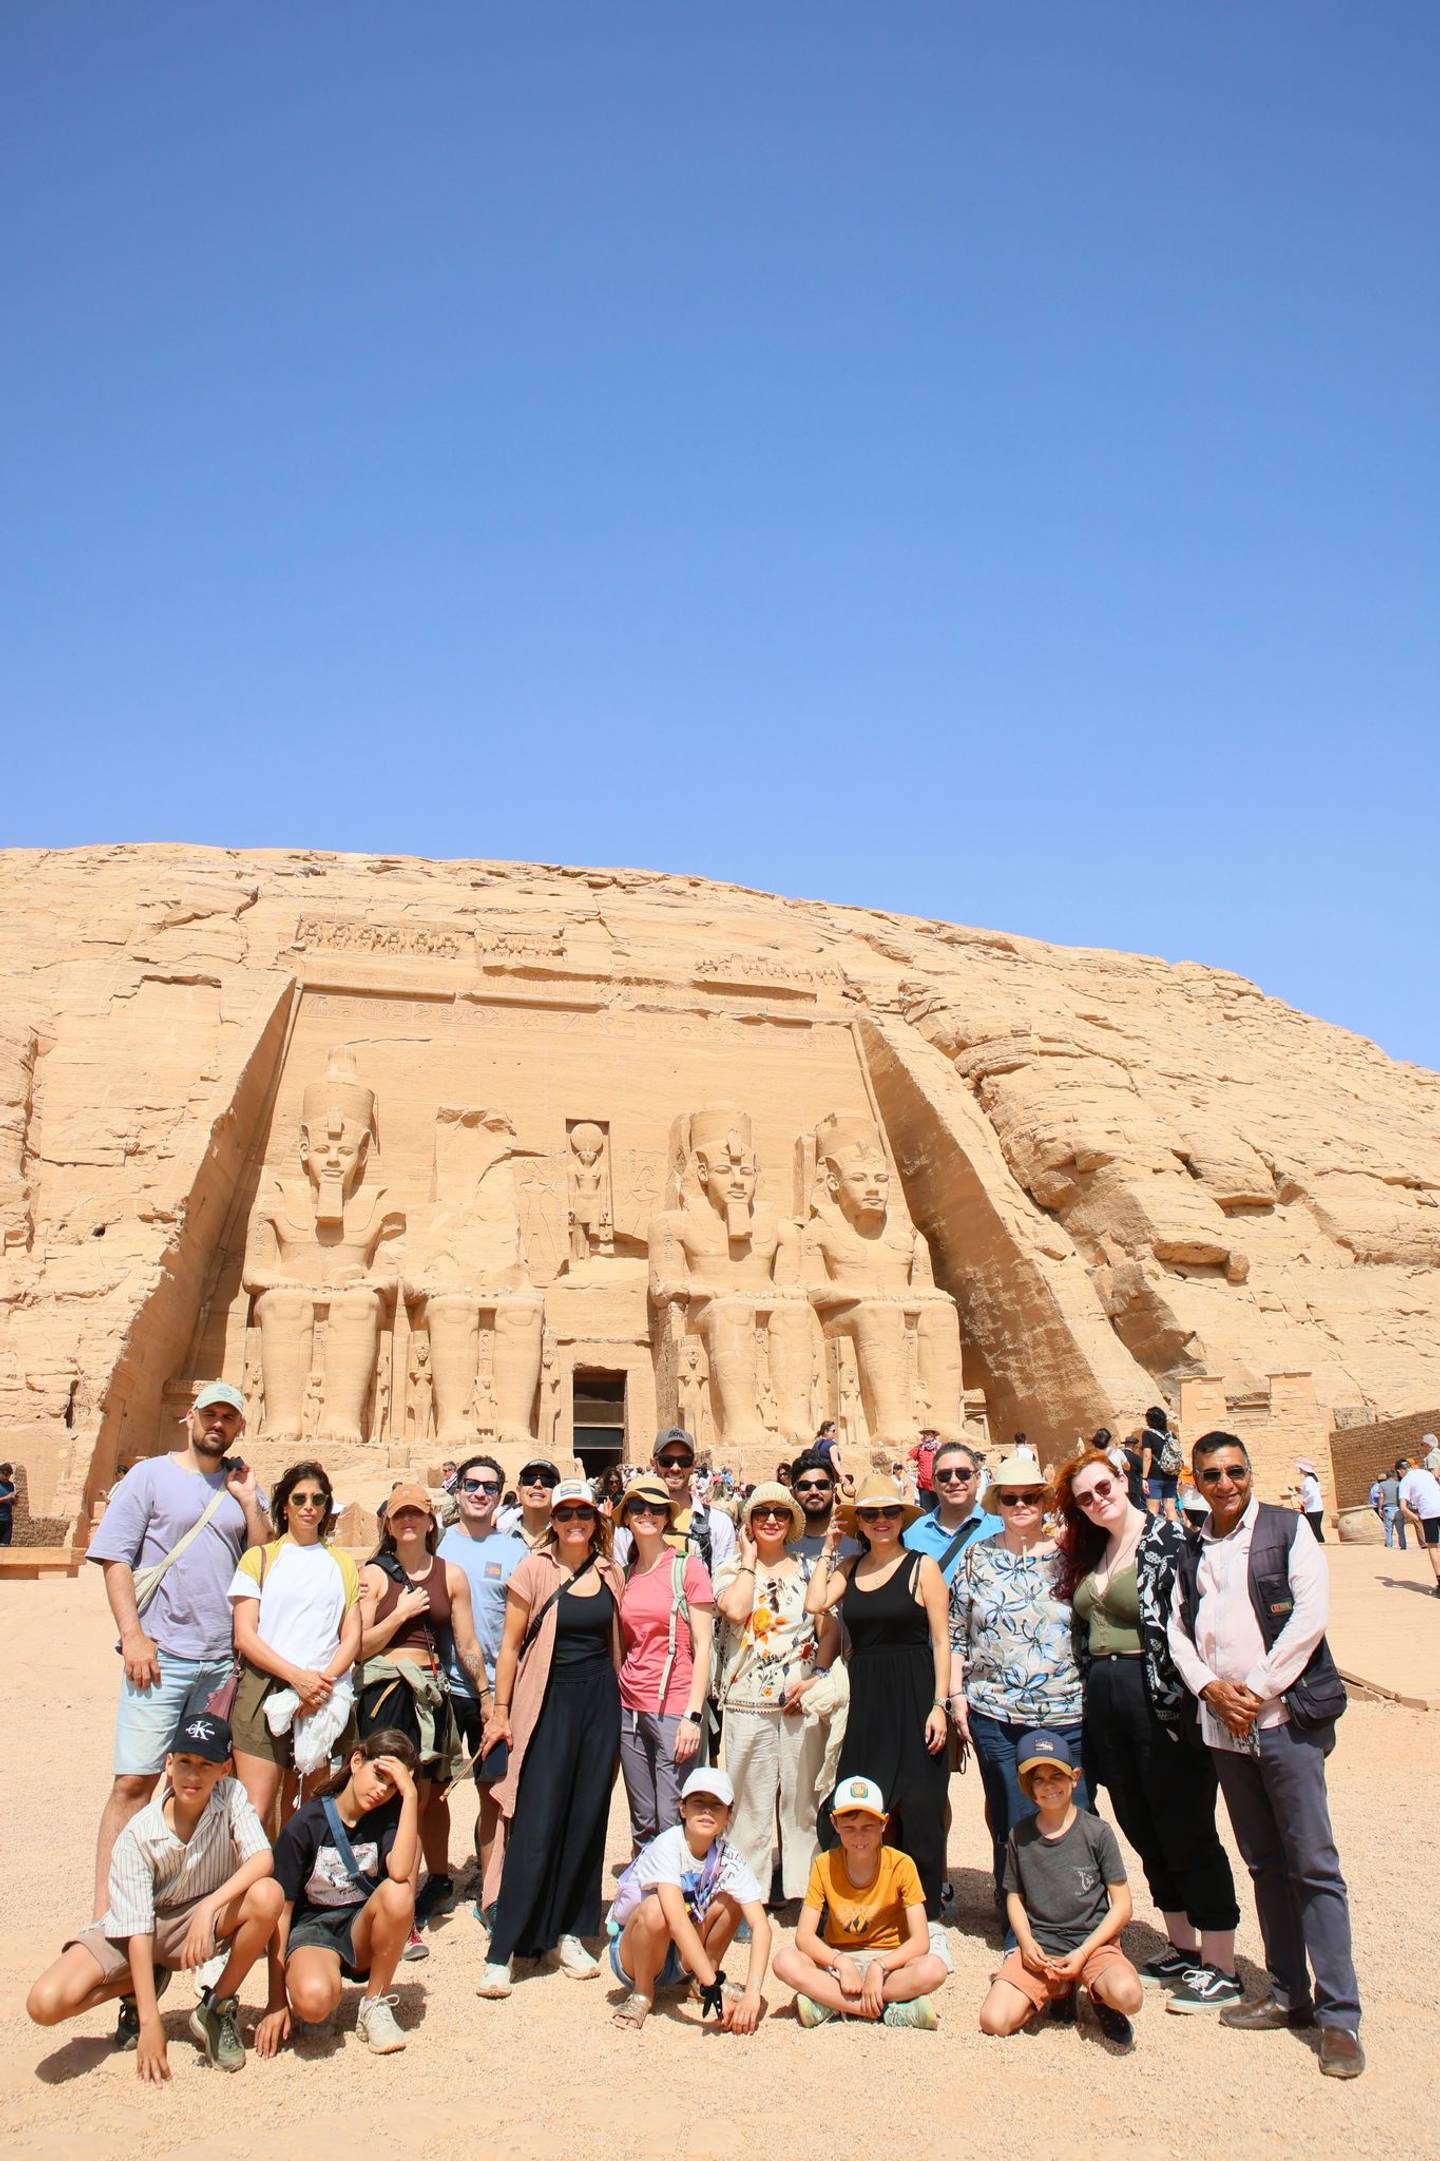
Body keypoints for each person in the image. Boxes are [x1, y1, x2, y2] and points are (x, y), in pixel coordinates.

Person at [1168, 1432, 1362, 2078]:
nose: (1225, 1483)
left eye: (1235, 1471)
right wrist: (1209, 1688)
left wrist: (1255, 1689)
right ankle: (1287, 1991)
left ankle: (1340, 2016)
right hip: (1225, 1727)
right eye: (1212, 1475)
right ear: (1195, 1481)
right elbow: (1177, 1630)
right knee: (1264, 1863)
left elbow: (1309, 1618)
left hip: (1281, 1720)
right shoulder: (1193, 1547)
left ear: (1249, 1472)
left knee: (1313, 1863)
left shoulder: (1287, 1529)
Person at [1054, 1448, 1241, 2011]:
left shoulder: (1170, 1541)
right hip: (1105, 1700)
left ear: (1123, 1478)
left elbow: (1201, 1621)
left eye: (1103, 1487)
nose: (1097, 1501)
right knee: (1139, 1822)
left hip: (1160, 1700)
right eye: (1084, 1498)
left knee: (1185, 1823)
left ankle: (1221, 1963)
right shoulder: (1096, 1550)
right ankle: (1183, 1944)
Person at [85, 1380, 269, 1931]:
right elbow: (115, 1558)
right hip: (162, 1654)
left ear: (239, 1426)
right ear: (190, 1416)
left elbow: (260, 1560)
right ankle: (107, 1915)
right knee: (134, 1782)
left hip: (220, 1660)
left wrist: (248, 1501)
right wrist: (133, 1635)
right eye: (210, 1414)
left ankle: (175, 1903)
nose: (217, 1424)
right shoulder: (150, 1475)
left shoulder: (241, 1485)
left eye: (228, 1418)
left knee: (198, 1783)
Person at [27, 1712, 280, 2080]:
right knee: (44, 2004)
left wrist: (209, 1907)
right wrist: (150, 2023)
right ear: (168, 1763)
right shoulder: (138, 1835)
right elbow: (138, 1928)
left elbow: (262, 1858)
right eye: (185, 1762)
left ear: (224, 1769)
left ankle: (216, 2005)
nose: (193, 1775)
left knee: (268, 1895)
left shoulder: (231, 1794)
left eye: (206, 1764)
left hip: (198, 1919)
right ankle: (143, 1981)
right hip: (140, 1928)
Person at [476, 1479, 625, 1997]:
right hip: (547, 1701)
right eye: (565, 1515)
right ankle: (504, 1948)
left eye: (583, 1514)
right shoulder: (534, 1569)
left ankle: (568, 1931)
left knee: (587, 1815)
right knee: (535, 1821)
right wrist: (500, 1712)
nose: (574, 1522)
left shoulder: (609, 1572)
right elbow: (510, 1645)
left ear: (596, 1521)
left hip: (599, 1701)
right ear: (554, 1521)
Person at [804, 1476, 950, 1922]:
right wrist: (828, 1549)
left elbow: (941, 1641)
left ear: (901, 1519)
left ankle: (925, 1910)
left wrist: (939, 1705)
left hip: (914, 1691)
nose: (881, 1521)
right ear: (860, 1523)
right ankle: (865, 1903)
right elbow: (815, 1603)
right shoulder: (850, 1568)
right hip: (866, 1696)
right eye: (870, 1514)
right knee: (862, 1797)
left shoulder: (923, 1567)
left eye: (889, 1513)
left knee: (922, 1802)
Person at [949, 1453, 1087, 1906]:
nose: (1021, 1505)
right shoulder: (977, 1558)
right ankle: (1018, 1918)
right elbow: (956, 1632)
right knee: (1011, 1816)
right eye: (1011, 1499)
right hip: (995, 1708)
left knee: (1074, 1814)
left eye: (1031, 1497)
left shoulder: (1069, 1558)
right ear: (999, 1504)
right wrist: (955, 1696)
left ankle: (1078, 1919)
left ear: (1045, 1502)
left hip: (1064, 1706)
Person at [356, 1484, 489, 1935]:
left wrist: (485, 1693)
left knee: (429, 1796)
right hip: (388, 1693)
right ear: (389, 1524)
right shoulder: (375, 1575)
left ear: (431, 1521)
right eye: (400, 1516)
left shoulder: (450, 1575)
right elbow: (359, 1645)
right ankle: (395, 1901)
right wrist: (400, 1613)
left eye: (415, 1514)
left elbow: (466, 1643)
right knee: (392, 1793)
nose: (408, 1521)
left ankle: (428, 1884)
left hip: (431, 1695)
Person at [261, 1729, 421, 2058]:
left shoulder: (389, 1817)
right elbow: (282, 1912)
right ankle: (323, 1990)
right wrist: (276, 1999)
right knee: (314, 2002)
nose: (383, 1791)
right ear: (357, 1761)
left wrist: (410, 1797)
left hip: (362, 1928)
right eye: (379, 1776)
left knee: (399, 1889)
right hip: (314, 1930)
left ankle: (375, 2003)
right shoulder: (307, 1823)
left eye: (393, 1785)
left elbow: (401, 1871)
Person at [714, 1481, 839, 1902]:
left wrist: (818, 1674)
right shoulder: (732, 1569)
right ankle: (746, 1893)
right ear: (748, 1522)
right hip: (748, 1700)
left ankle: (805, 1891)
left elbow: (828, 1628)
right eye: (761, 1513)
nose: (771, 1520)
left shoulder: (808, 1569)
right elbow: (735, 1610)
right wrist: (749, 1561)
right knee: (748, 1800)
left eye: (780, 1513)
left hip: (799, 1700)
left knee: (803, 1801)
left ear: (791, 1521)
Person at [977, 1731, 1142, 2045]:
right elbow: (1014, 1897)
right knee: (993, 2021)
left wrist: (1083, 1953)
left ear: (1074, 1777)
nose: (1049, 1786)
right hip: (1043, 1946)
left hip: (1093, 1945)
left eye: (1057, 1776)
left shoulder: (1097, 1832)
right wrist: (1026, 1943)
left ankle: (1100, 1997)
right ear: (1027, 1786)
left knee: (1129, 1996)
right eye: (1038, 1779)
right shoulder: (1020, 1835)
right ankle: (1058, 1990)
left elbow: (1122, 1906)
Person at [228, 1459, 363, 1827]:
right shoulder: (260, 1558)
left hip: (322, 1690)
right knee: (255, 1809)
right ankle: (255, 1869)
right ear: (284, 1506)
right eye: (299, 1498)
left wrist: (320, 1684)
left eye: (318, 1499)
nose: (309, 1506)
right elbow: (244, 1634)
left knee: (305, 1811)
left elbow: (351, 1635)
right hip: (266, 1685)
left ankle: (292, 1868)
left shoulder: (342, 1564)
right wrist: (296, 1677)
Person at [772, 1774, 947, 2028]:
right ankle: (885, 2010)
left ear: (884, 1823)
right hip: (840, 1960)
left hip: (889, 1963)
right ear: (834, 1823)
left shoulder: (901, 1865)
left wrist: (879, 1966)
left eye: (868, 1827)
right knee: (784, 1961)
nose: (859, 1837)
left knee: (934, 1969)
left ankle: (832, 2002)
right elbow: (804, 1936)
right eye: (849, 1828)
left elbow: (920, 1940)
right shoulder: (824, 1864)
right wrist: (840, 1963)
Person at [607, 1766, 771, 2031]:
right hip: (634, 1953)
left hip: (680, 1956)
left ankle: (700, 1981)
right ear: (682, 1809)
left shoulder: (729, 1857)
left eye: (716, 1805)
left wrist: (753, 1994)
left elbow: (761, 1926)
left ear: (728, 1815)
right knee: (656, 1909)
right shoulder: (668, 1844)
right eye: (698, 1803)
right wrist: (715, 1989)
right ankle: (642, 1992)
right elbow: (677, 1923)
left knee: (732, 1899)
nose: (706, 1811)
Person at [436, 1452, 525, 1896]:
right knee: (432, 1790)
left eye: (490, 1487)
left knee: (493, 1790)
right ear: (457, 1490)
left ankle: (491, 1891)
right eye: (471, 1484)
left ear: (500, 1495)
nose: (479, 1493)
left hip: (499, 1689)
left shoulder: (514, 1550)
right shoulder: (436, 1544)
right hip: (444, 1686)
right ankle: (436, 1879)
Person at [615, 1474, 715, 1852]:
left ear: (667, 1517)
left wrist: (693, 1715)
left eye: (656, 1508)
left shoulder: (687, 1568)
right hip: (631, 1707)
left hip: (674, 1705)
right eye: (637, 1507)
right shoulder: (625, 1575)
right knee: (642, 1817)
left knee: (672, 1814)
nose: (647, 1514)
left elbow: (703, 1645)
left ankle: (676, 1887)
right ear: (626, 1516)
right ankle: (648, 1885)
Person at [614, 1428, 737, 1574]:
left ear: (693, 1464)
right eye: (666, 1461)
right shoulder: (630, 1525)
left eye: (684, 1461)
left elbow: (723, 1580)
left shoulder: (718, 1523)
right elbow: (621, 1579)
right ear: (653, 1463)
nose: (675, 1468)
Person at [903, 1442, 1002, 1586]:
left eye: (963, 1474)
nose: (954, 1481)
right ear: (933, 1483)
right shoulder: (912, 1534)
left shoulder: (1001, 1528)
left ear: (978, 1478)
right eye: (944, 1475)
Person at [789, 1448, 860, 1560]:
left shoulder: (858, 1538)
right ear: (793, 1493)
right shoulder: (781, 1543)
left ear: (834, 1490)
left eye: (822, 1485)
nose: (814, 1492)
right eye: (804, 1486)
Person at [498, 1457, 561, 1548]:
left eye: (547, 1481)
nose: (537, 1484)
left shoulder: (566, 1537)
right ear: (519, 1490)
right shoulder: (502, 1536)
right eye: (529, 1479)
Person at [1398, 1458, 1440, 1591]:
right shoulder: (1426, 1473)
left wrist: (1417, 1518)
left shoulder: (1405, 1481)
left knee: (1433, 1546)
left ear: (1400, 1471)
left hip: (1428, 1512)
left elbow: (1403, 1507)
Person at [1142, 1407, 1182, 1522]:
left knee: (1153, 1510)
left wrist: (1144, 1478)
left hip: (1155, 1476)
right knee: (1171, 1508)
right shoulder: (1171, 1435)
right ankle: (1174, 1531)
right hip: (1171, 1475)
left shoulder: (1148, 1434)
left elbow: (1147, 1457)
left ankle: (1152, 1532)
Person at [1376, 1464, 1406, 1550]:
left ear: (1387, 1476)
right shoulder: (1399, 1484)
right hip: (1398, 1509)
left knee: (1388, 1529)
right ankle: (1403, 1545)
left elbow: (1381, 1497)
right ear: (1394, 1476)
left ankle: (1389, 1546)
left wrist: (1380, 1508)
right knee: (1400, 1529)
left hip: (1387, 1509)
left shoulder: (1382, 1484)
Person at [1296, 1461, 1325, 1542]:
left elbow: (1312, 1494)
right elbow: (1310, 1492)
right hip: (1316, 1508)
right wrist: (1300, 1491)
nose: (1299, 1469)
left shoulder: (1308, 1480)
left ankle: (1321, 1544)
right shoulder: (1311, 1479)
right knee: (1316, 1529)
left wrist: (1304, 1501)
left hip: (1313, 1509)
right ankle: (1321, 1544)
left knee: (1315, 1530)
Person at [0, 1460, 16, 1546]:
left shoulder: (11, 1485)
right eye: (4, 1474)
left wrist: (14, 1499)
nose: (6, 1477)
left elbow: (13, 1503)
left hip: (7, 1521)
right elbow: (7, 1497)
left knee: (5, 1546)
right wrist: (8, 1497)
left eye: (8, 1475)